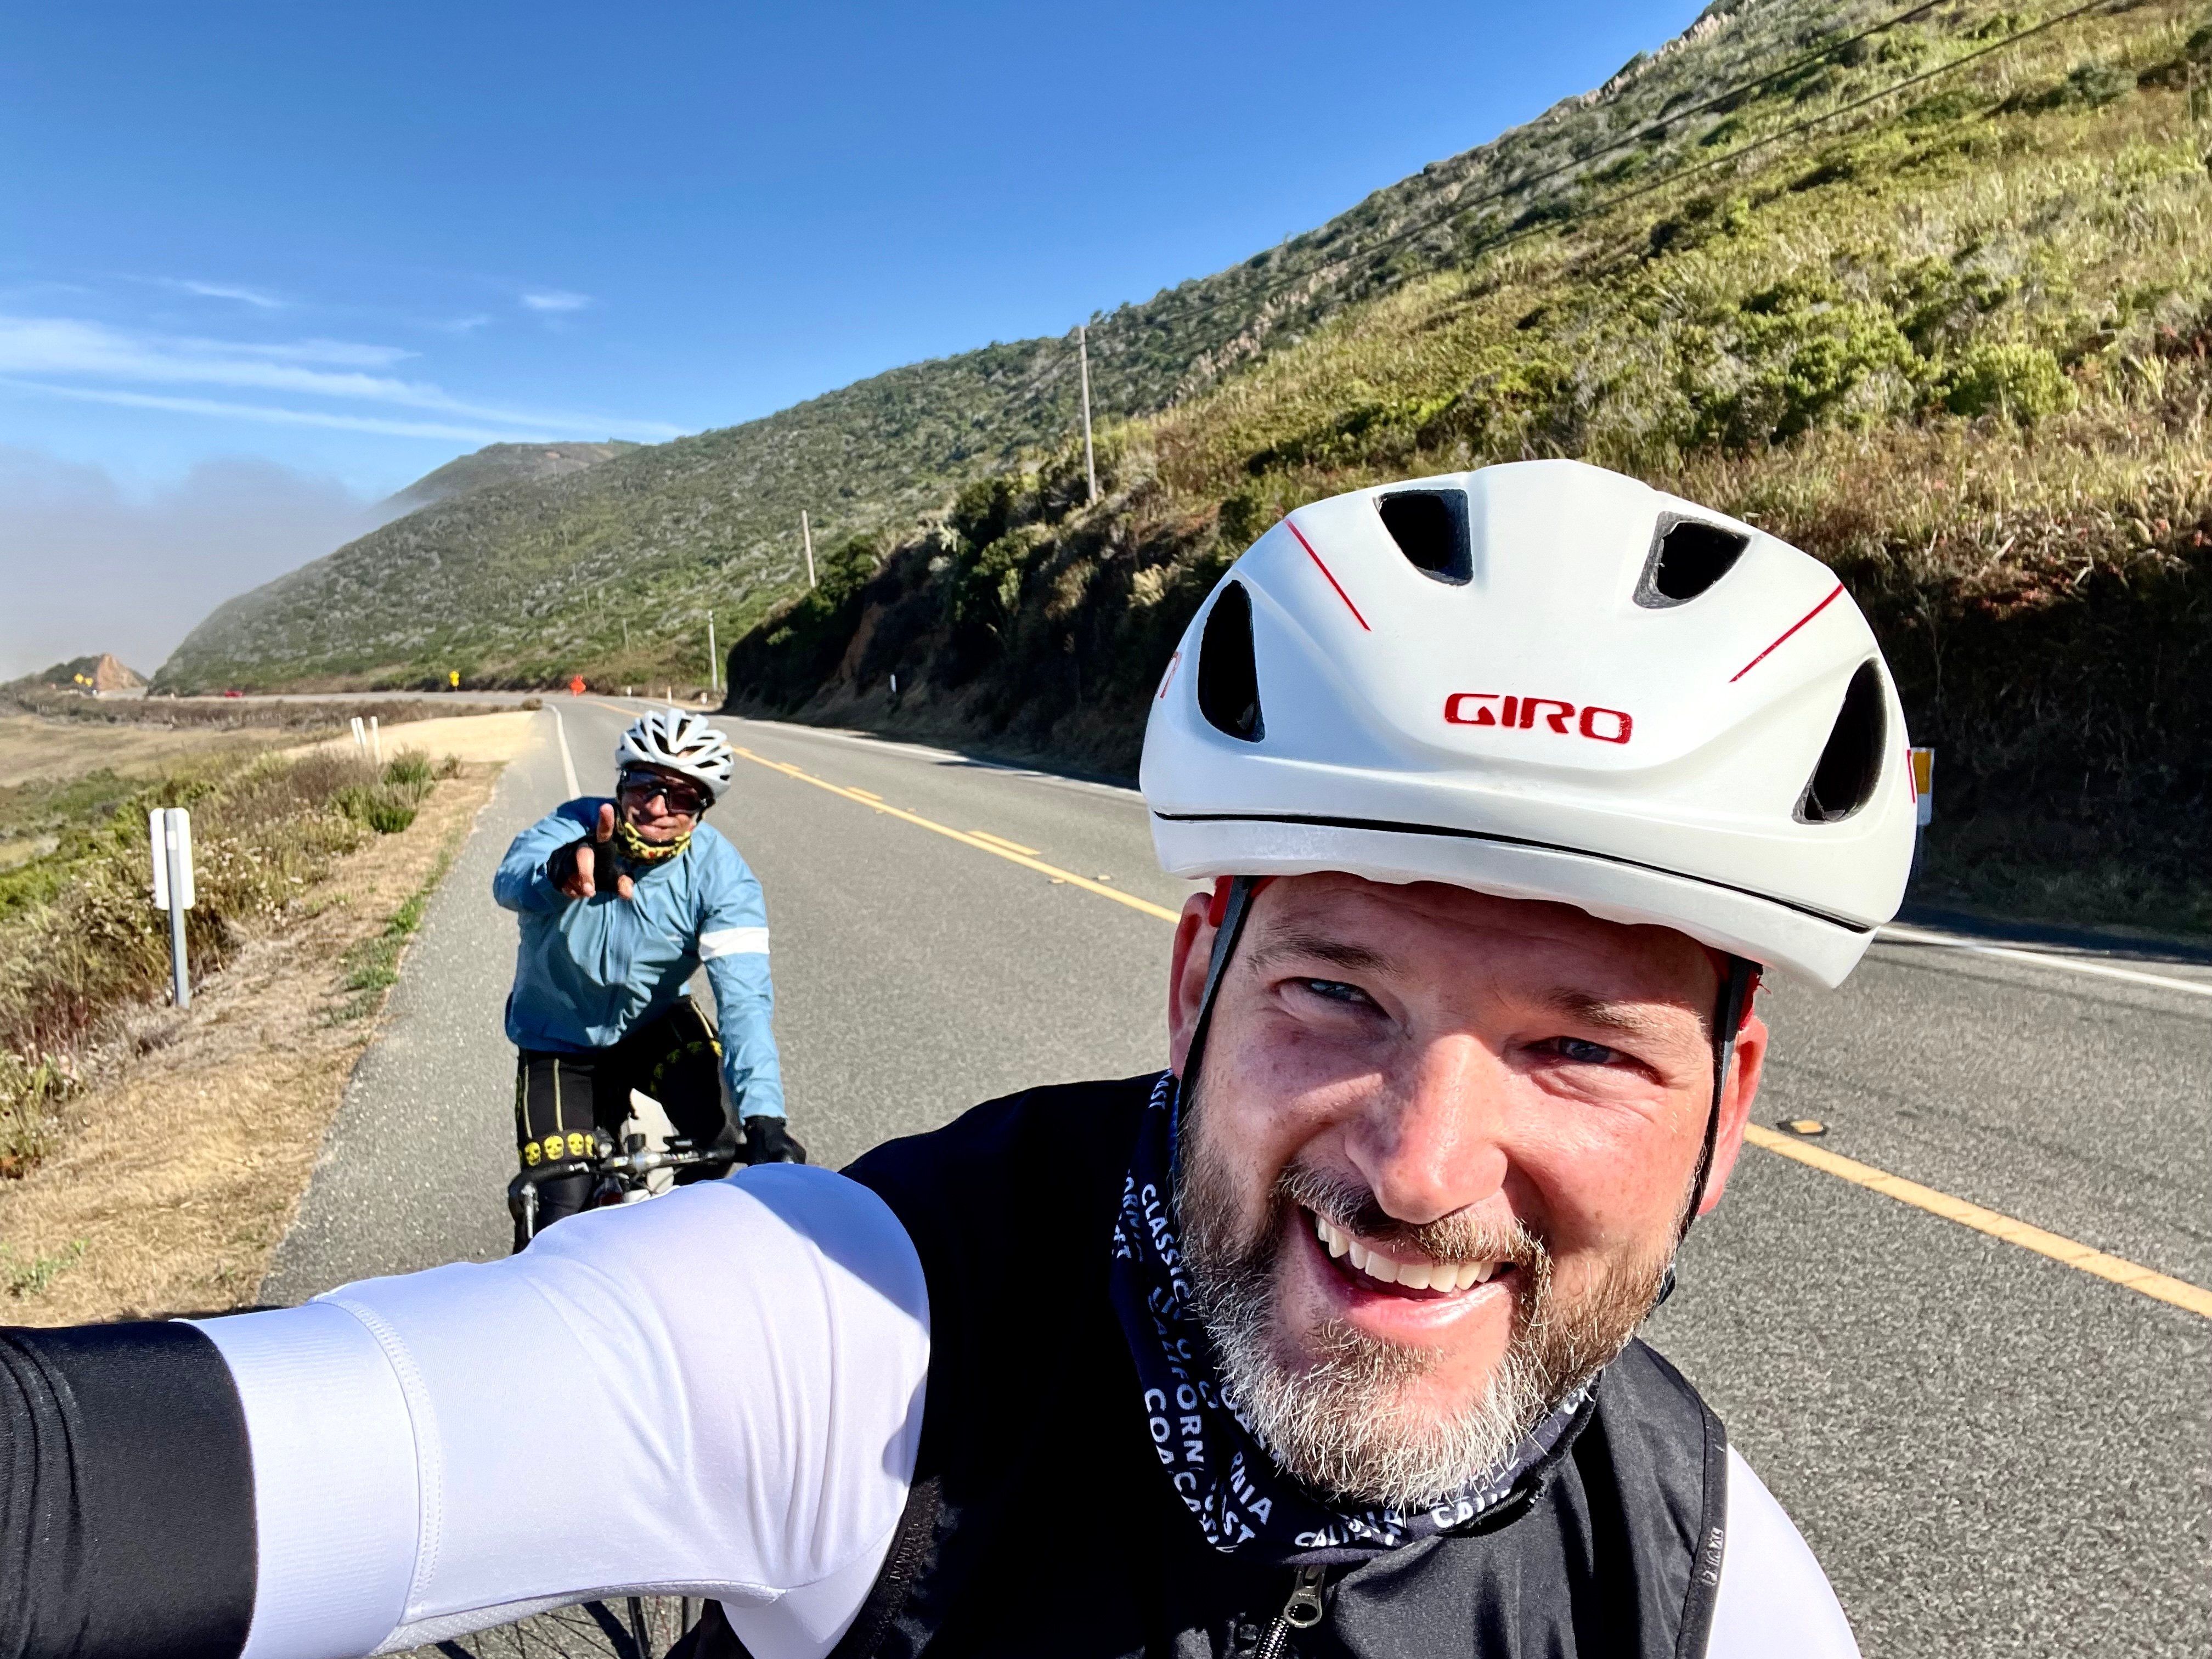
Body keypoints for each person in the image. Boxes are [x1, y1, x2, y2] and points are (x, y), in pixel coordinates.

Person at [2, 460, 1912, 1659]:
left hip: (658, 1042)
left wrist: (753, 1109)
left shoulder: (1699, 1589)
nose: (1420, 1168)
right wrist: (565, 867)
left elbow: (739, 992)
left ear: (1728, 1119)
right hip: (547, 1036)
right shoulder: (857, 1348)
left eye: (1579, 1047)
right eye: (1336, 992)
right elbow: (140, 1485)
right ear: (1194, 991)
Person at [496, 707, 804, 1246]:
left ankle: (660, 1243)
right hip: (557, 1038)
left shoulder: (724, 879)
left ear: (702, 808)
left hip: (653, 1023)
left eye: (683, 796)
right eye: (645, 787)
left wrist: (767, 1118)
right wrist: (562, 869)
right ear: (621, 783)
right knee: (558, 1215)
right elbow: (510, 881)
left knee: (724, 1138)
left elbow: (745, 1005)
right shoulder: (575, 826)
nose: (660, 808)